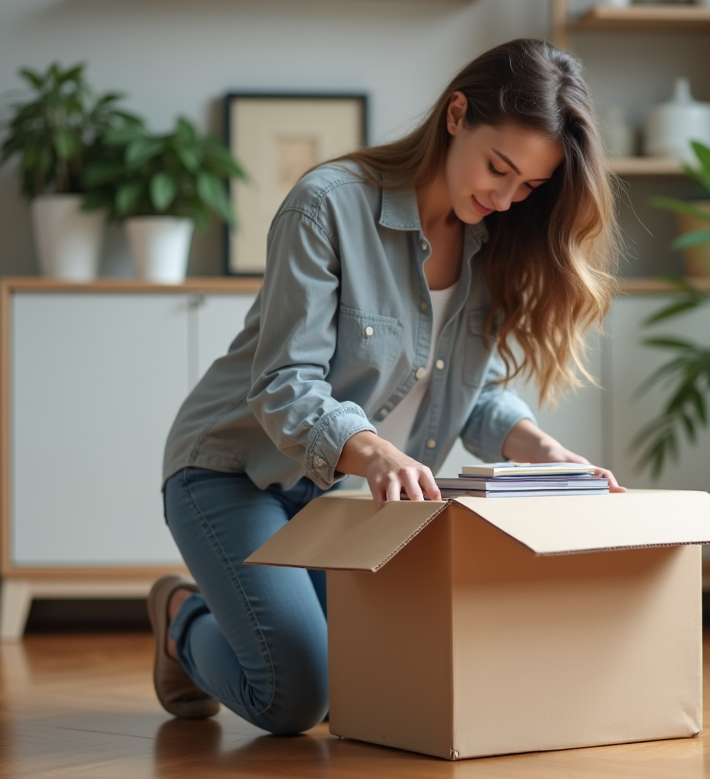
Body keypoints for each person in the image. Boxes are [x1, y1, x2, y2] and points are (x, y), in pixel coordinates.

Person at [149, 37, 625, 733]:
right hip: (231, 471)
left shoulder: (495, 241)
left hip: (336, 495)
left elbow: (472, 391)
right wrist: (373, 451)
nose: (504, 196)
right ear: (457, 114)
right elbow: (285, 383)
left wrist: (544, 453)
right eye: (499, 168)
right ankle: (177, 617)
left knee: (368, 676)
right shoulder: (327, 206)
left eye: (527, 186)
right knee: (297, 697)